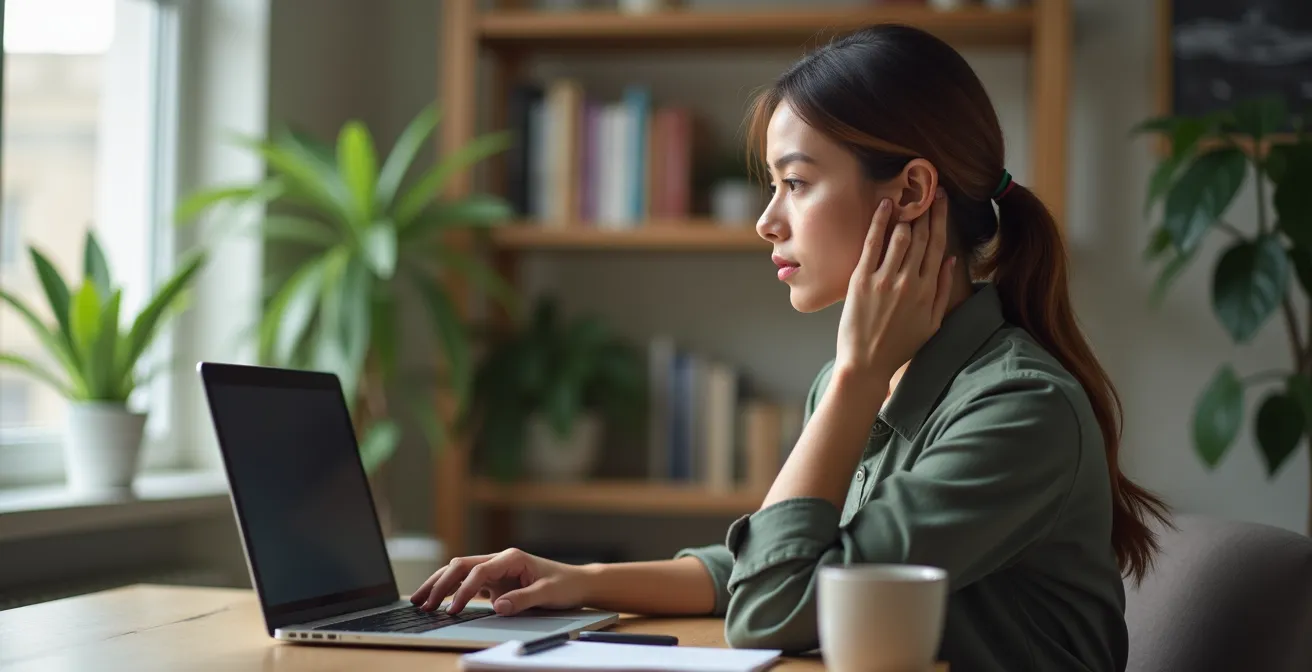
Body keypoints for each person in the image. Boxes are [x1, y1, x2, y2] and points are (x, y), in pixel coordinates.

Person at [410, 24, 1169, 672]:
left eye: (796, 183)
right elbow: (776, 560)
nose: (766, 221)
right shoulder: (869, 380)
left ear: (909, 193)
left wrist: (855, 376)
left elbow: (773, 605)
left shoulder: (1019, 409)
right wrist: (580, 579)